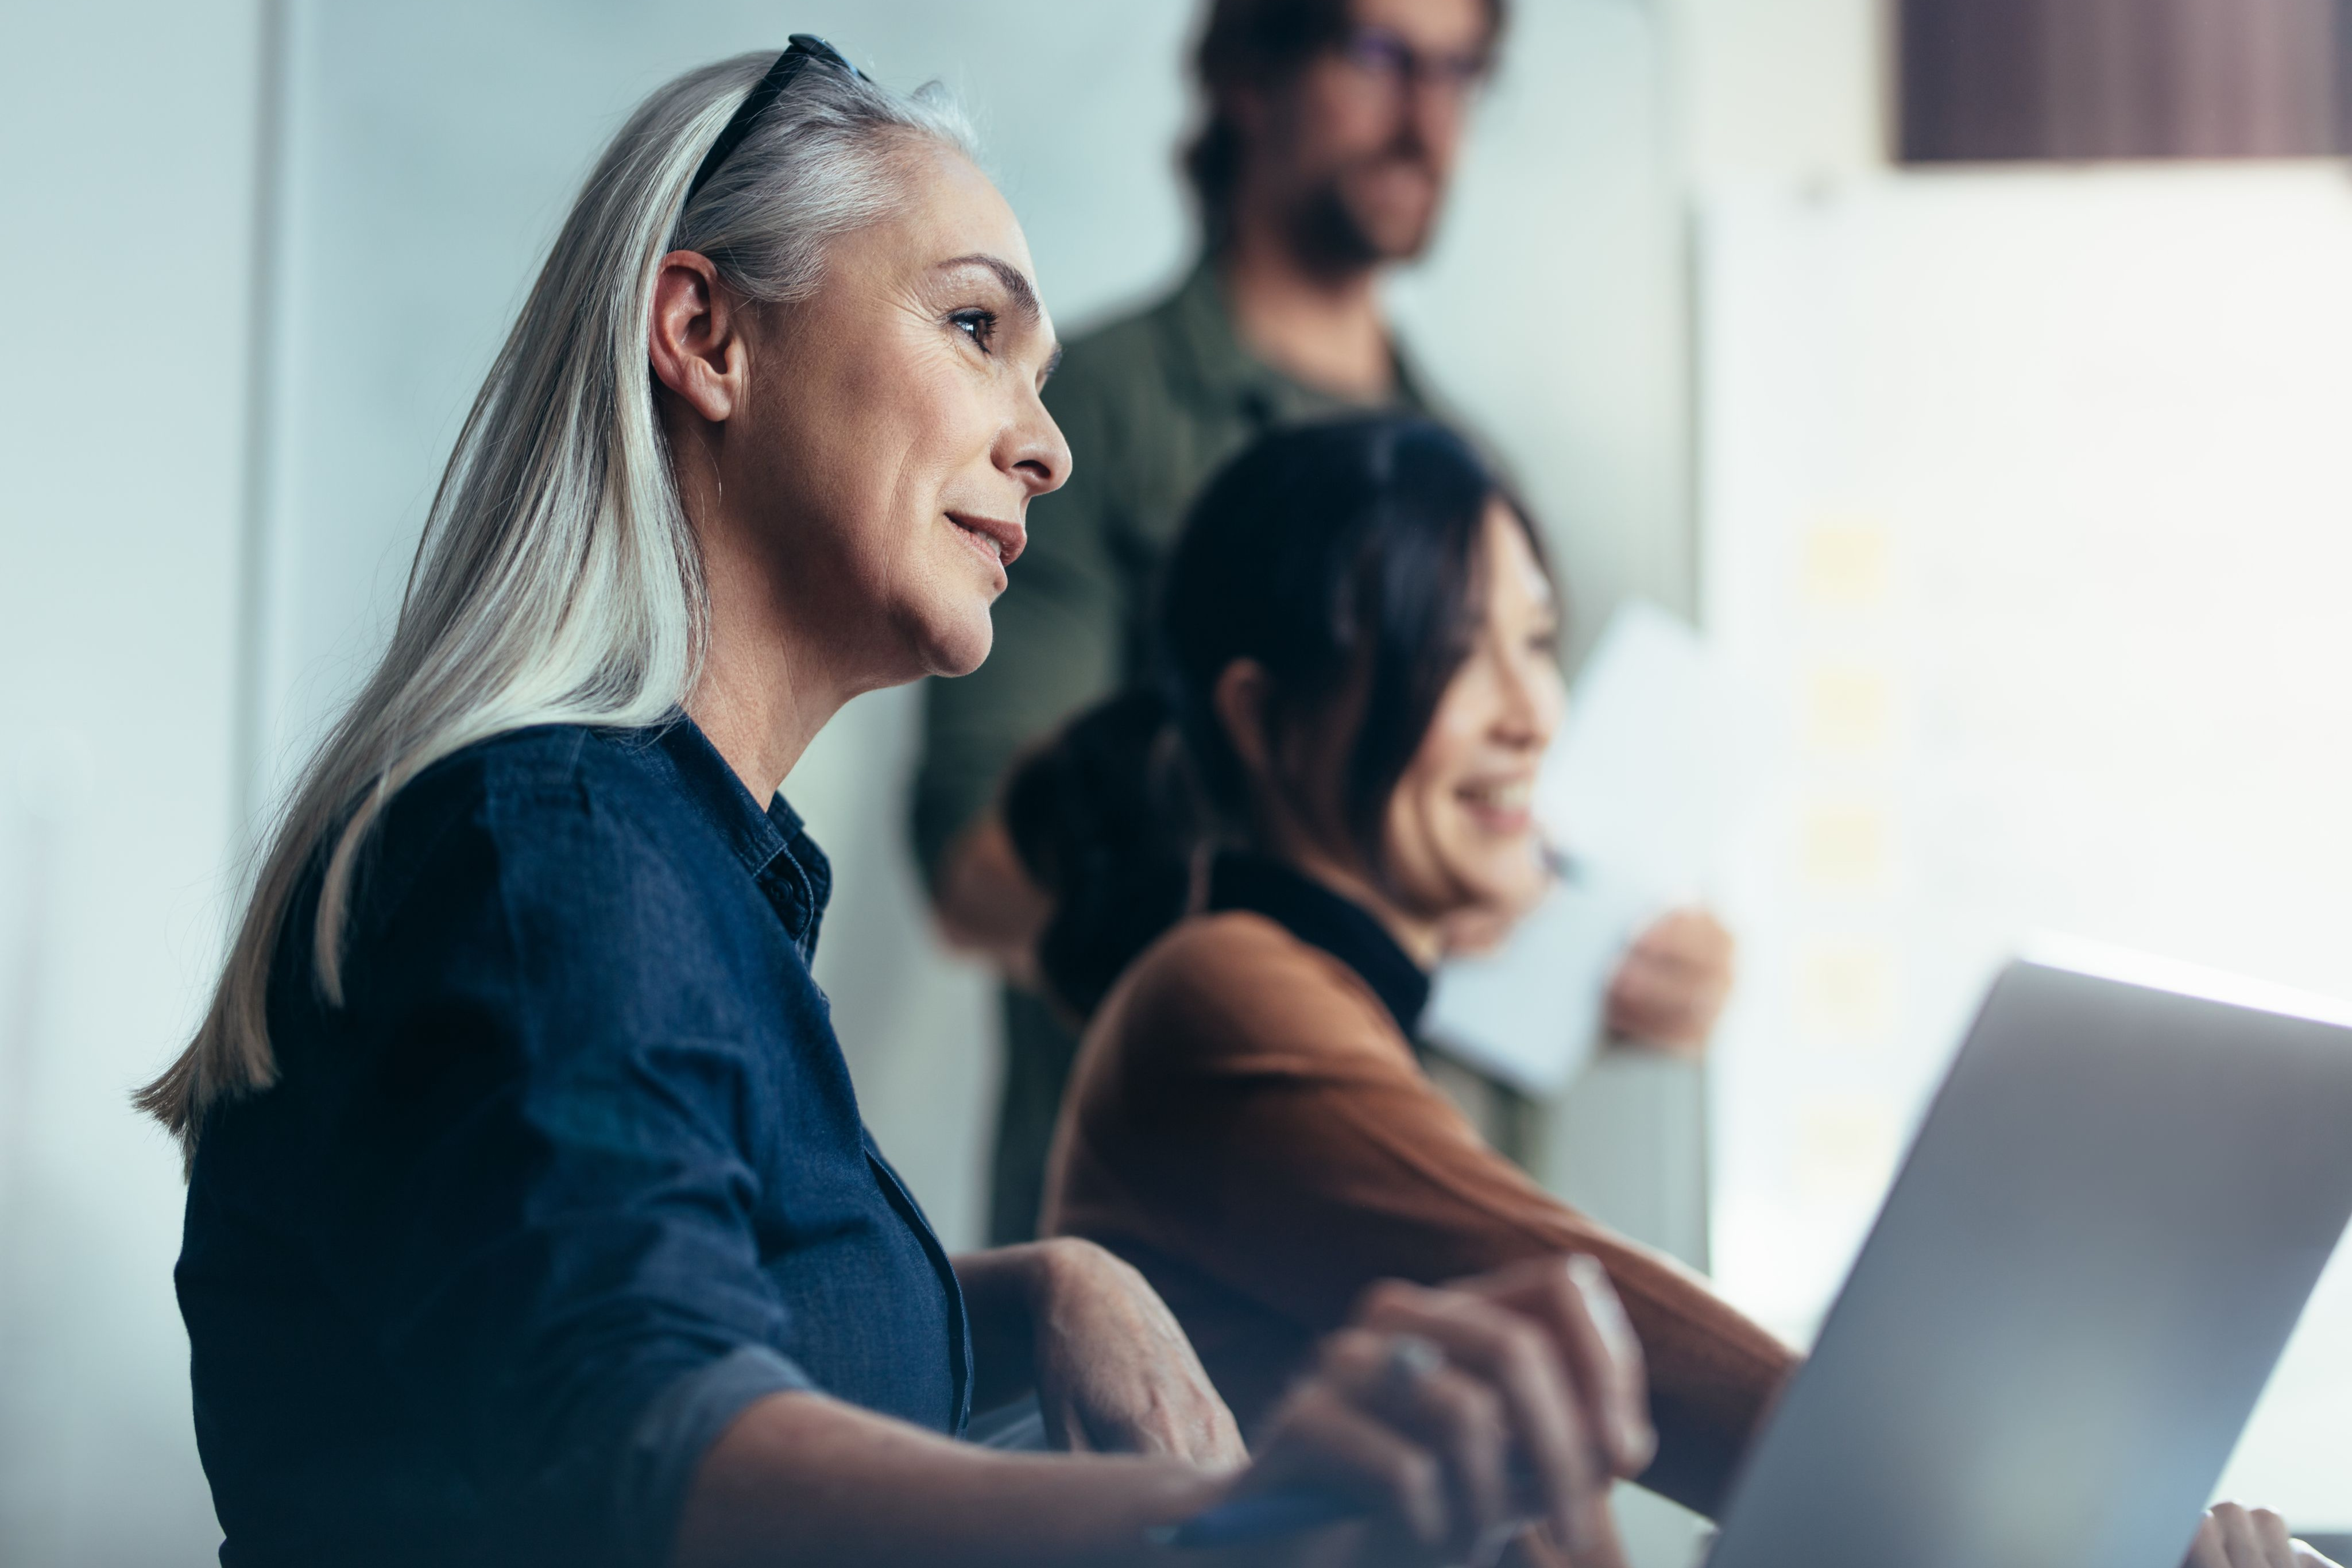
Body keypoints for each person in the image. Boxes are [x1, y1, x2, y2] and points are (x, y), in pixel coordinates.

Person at [136, 44, 1658, 1568]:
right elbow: (653, 1448)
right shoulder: (554, 858)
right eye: (975, 327)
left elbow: (737, 1323)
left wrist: (1034, 1291)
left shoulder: (682, 874)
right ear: (706, 335)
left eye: (1039, 376)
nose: (1044, 445)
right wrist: (1245, 1512)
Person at [1013, 416, 2339, 1568]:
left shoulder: (1320, 1009)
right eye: (1454, 649)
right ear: (1260, 715)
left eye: (1537, 641)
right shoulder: (1222, 992)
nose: (1531, 712)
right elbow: (1612, 1324)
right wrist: (2097, 1528)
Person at [912, 0, 1736, 1250]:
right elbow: (979, 869)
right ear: (1247, 70)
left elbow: (1482, 845)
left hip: (1451, 1244)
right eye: (1376, 54)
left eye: (1461, 71)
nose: (1426, 113)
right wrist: (1352, 874)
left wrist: (1604, 962)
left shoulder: (1466, 467)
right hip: (1175, 1270)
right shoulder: (1082, 420)